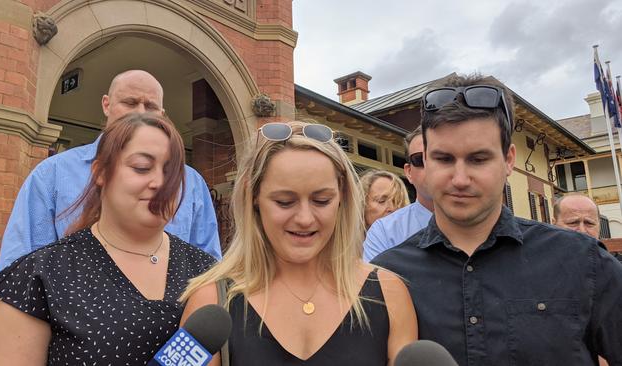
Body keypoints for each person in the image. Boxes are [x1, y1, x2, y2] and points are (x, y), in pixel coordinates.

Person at [371, 74, 622, 365]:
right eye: (444, 159)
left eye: (478, 159)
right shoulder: (387, 277)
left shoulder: (582, 261)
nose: (460, 179)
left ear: (508, 159)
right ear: (425, 161)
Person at [0, 113, 217, 365]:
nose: (159, 182)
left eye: (171, 173)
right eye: (141, 167)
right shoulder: (40, 276)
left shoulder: (207, 272)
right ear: (100, 172)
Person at [180, 121, 418, 365]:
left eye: (321, 200)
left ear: (343, 197)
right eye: (284, 201)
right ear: (253, 197)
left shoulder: (390, 294)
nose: (305, 219)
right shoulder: (210, 299)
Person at [0, 70, 221, 270]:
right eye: (130, 102)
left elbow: (208, 268)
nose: (140, 113)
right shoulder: (52, 174)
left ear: (162, 113)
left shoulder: (190, 182)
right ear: (106, 104)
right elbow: (21, 268)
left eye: (150, 106)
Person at [363, 127, 433, 261]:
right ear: (408, 172)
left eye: (443, 158)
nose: (431, 166)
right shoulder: (384, 232)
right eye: (419, 160)